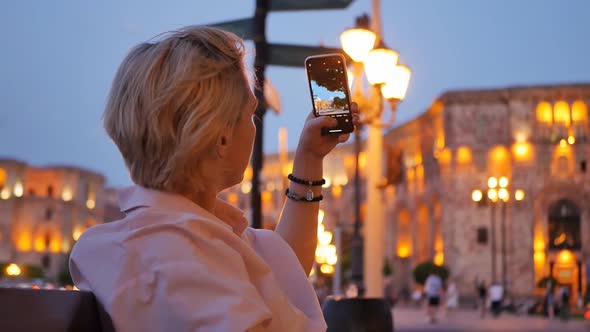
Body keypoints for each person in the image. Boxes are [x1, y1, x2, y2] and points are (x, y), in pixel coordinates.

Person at [68, 26, 357, 331]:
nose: (253, 126)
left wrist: (309, 158)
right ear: (221, 139)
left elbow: (279, 276)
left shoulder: (151, 240)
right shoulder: (178, 256)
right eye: (251, 114)